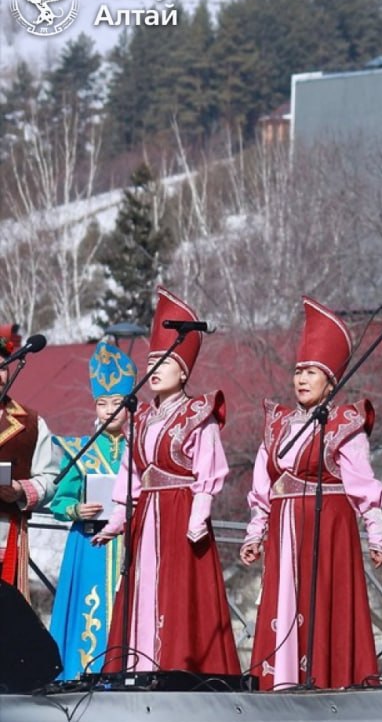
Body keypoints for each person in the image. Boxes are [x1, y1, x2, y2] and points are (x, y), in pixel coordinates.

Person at [241, 297, 382, 690]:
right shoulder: (279, 424)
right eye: (297, 372)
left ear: (330, 380)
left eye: (311, 372)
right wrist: (256, 530)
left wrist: (376, 532)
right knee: (283, 601)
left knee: (323, 604)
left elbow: (362, 483)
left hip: (327, 530)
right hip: (285, 528)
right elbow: (263, 483)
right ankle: (283, 679)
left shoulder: (344, 424)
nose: (301, 380)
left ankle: (326, 678)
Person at [92, 287, 240, 675]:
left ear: (184, 371)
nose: (155, 369)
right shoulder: (139, 418)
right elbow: (131, 475)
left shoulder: (197, 412)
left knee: (178, 592)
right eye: (152, 360)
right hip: (147, 519)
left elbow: (210, 468)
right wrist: (116, 521)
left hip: (180, 512)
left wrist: (198, 514)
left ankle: (181, 667)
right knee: (142, 589)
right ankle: (139, 666)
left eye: (166, 361)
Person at [47, 341, 135, 679]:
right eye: (102, 403)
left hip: (129, 544)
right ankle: (81, 672)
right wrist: (76, 509)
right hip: (89, 545)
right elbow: (59, 501)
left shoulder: (139, 448)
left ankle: (124, 673)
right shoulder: (80, 449)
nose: (110, 410)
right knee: (89, 608)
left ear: (128, 405)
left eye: (117, 403)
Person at [0, 326, 57, 601]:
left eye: (2, 368)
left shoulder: (30, 423)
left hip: (5, 533)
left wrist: (21, 489)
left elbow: (50, 477)